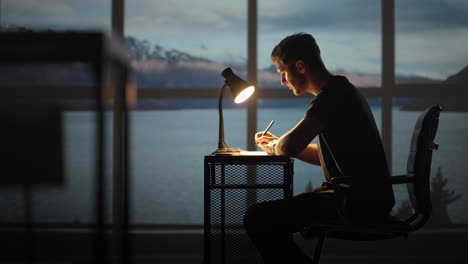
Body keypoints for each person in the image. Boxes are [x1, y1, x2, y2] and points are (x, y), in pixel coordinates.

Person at [243, 33, 395, 264]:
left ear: (300, 66)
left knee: (257, 218)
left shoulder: (331, 96)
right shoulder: (340, 90)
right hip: (365, 197)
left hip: (354, 202)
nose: (283, 81)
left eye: (283, 73)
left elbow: (290, 146)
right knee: (273, 219)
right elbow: (316, 153)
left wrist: (276, 146)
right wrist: (279, 145)